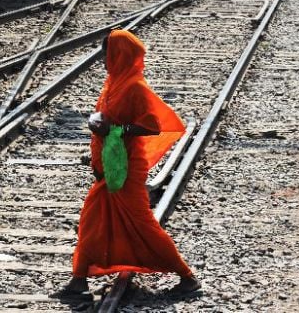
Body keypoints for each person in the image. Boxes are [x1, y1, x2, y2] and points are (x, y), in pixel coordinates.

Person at [53, 29, 201, 309]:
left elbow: (151, 126)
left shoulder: (136, 87)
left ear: (119, 56)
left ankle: (187, 277)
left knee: (143, 225)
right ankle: (79, 280)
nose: (103, 61)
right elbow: (108, 117)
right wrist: (97, 121)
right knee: (91, 222)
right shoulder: (114, 83)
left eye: (106, 55)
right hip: (108, 169)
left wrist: (114, 129)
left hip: (127, 170)